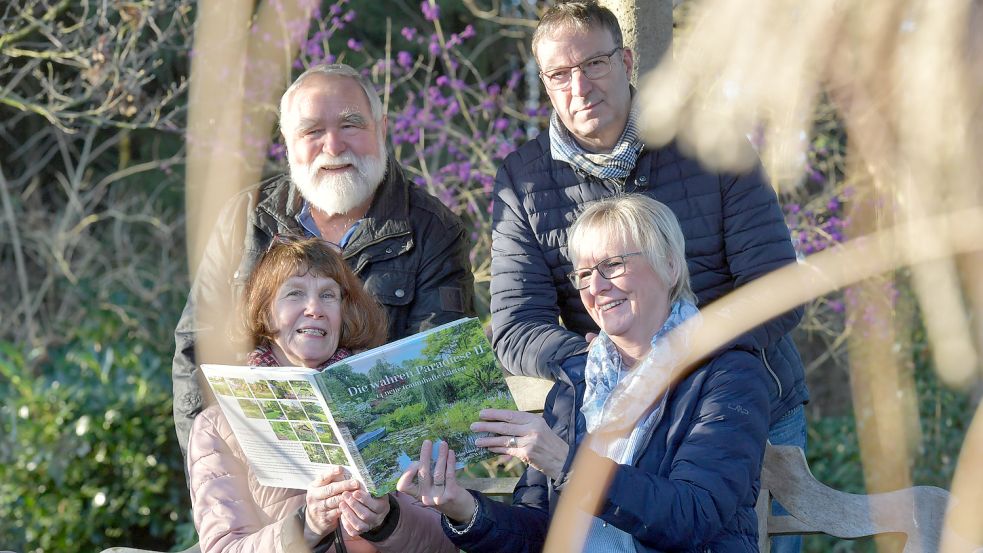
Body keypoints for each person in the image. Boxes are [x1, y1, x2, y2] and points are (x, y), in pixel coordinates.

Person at [489, 3, 805, 550]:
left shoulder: (713, 144)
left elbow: (776, 289)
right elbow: (515, 326)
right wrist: (597, 360)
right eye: (559, 75)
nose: (579, 87)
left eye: (593, 64)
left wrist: (682, 355)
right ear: (544, 82)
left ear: (627, 60)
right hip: (607, 412)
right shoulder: (523, 179)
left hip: (737, 402)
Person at [399, 195, 771, 552]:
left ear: (670, 266)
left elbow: (692, 515)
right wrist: (464, 508)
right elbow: (538, 532)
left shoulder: (727, 374)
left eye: (613, 265)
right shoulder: (577, 385)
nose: (596, 287)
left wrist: (567, 463)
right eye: (584, 273)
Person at [173, 63, 476, 457]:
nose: (333, 146)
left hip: (382, 480)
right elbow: (197, 352)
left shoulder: (434, 231)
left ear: (381, 129)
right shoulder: (246, 219)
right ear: (287, 142)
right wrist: (212, 470)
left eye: (351, 125)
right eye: (312, 131)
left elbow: (436, 370)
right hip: (253, 469)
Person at [188, 237, 457, 553]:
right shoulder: (219, 424)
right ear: (265, 313)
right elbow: (224, 548)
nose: (314, 308)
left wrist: (387, 521)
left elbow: (444, 544)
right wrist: (307, 528)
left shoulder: (387, 397)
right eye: (295, 293)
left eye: (328, 295)